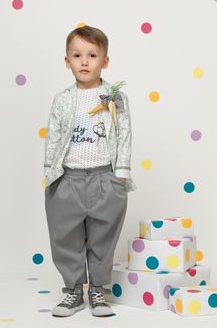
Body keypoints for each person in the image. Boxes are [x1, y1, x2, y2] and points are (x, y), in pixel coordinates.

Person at [44, 25, 137, 318]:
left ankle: (98, 289)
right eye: (77, 55)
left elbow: (124, 134)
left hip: (104, 178)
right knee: (65, 236)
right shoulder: (62, 99)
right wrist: (51, 173)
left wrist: (120, 174)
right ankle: (73, 291)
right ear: (67, 61)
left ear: (105, 61)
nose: (84, 62)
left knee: (102, 237)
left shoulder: (114, 97)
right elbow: (54, 136)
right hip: (68, 178)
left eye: (92, 55)